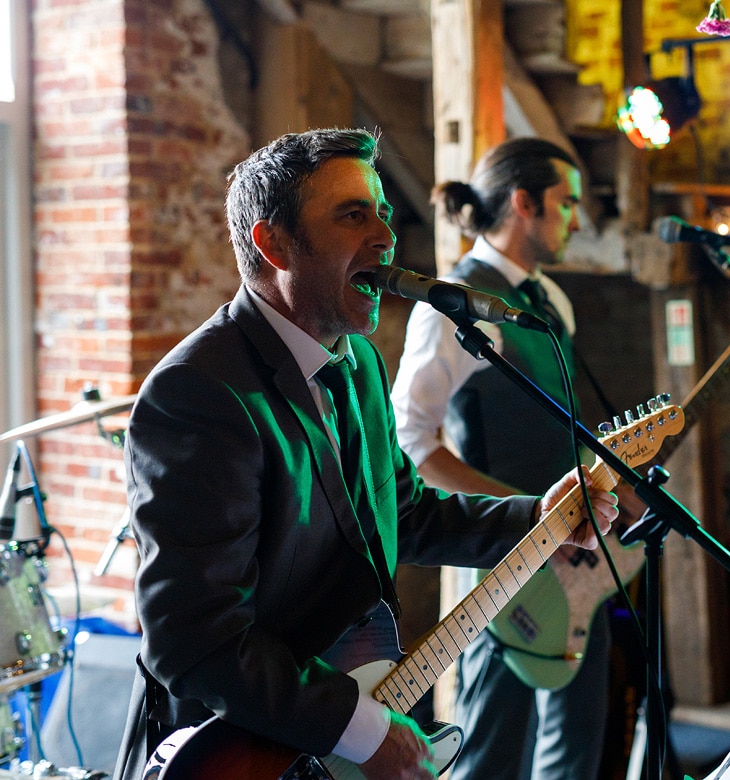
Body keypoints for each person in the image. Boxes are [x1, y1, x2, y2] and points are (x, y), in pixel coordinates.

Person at [111, 128, 618, 780]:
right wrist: (358, 727)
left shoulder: (361, 367)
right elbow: (194, 640)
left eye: (383, 213)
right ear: (274, 244)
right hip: (244, 753)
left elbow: (405, 513)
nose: (385, 236)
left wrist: (536, 519)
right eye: (354, 215)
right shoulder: (198, 392)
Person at [391, 137, 613, 779]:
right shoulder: (454, 305)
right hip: (499, 563)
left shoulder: (551, 302)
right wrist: (522, 518)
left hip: (578, 548)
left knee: (577, 749)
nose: (576, 217)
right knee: (492, 751)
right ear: (524, 202)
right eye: (565, 203)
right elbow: (413, 441)